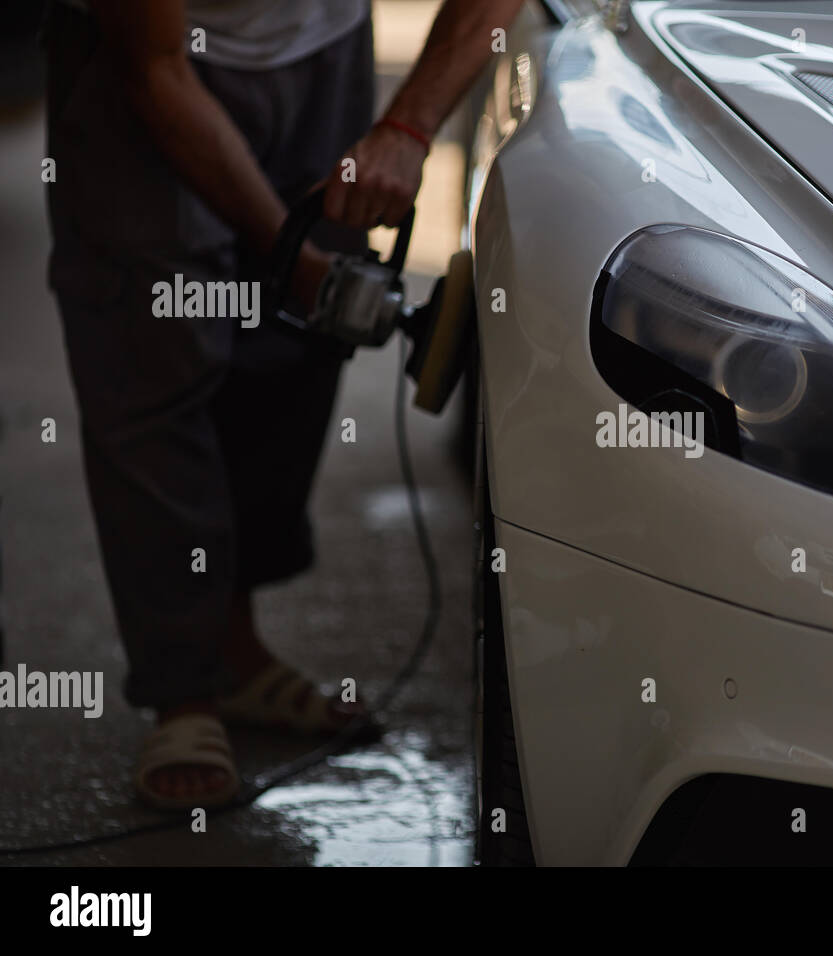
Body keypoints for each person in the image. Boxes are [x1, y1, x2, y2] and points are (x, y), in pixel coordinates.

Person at [44, 0, 525, 809]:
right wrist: (294, 261)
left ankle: (233, 654)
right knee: (156, 349)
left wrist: (406, 130)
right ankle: (183, 692)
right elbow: (153, 68)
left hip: (320, 47)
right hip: (152, 57)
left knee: (290, 352)